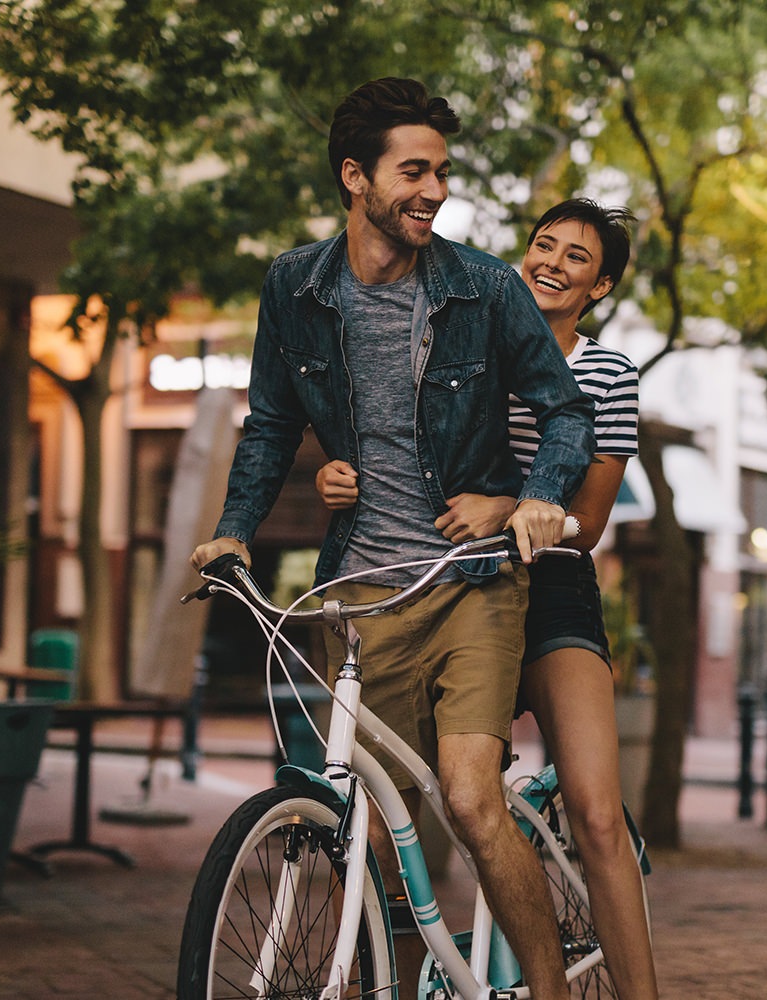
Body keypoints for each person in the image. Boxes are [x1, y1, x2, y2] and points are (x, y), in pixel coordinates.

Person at [190, 78, 592, 999]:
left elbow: (565, 410)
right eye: (415, 170)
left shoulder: (482, 286)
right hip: (361, 593)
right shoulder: (294, 285)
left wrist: (528, 497)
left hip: (471, 584)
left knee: (469, 796)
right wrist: (231, 534)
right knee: (371, 830)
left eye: (441, 172)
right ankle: (396, 982)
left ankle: (550, 990)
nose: (435, 189)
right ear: (354, 177)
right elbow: (269, 424)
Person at [316, 198, 659, 998]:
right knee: (433, 802)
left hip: (554, 589)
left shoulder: (607, 372)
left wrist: (512, 508)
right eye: (544, 245)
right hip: (452, 583)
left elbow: (593, 522)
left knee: (597, 813)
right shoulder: (466, 339)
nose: (553, 263)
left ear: (599, 285)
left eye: (577, 257)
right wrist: (333, 470)